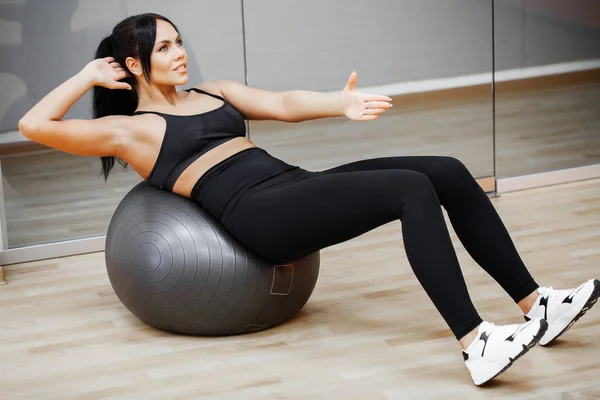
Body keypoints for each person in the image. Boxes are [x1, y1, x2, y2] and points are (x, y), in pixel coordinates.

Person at [18, 13, 599, 386]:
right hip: (259, 217)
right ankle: (476, 343)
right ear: (135, 63)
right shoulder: (133, 129)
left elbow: (284, 102)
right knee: (409, 188)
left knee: (445, 169)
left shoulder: (212, 92)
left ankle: (536, 305)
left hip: (290, 184)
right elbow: (33, 124)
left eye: (178, 42)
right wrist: (88, 76)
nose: (179, 53)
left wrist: (337, 104)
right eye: (164, 47)